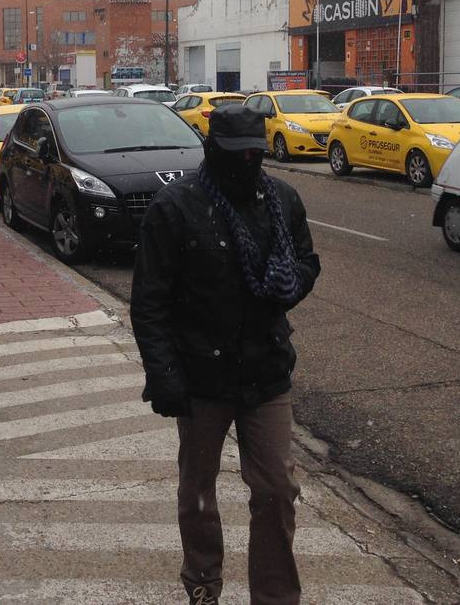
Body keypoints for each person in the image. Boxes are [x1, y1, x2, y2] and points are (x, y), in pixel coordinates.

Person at [131, 103, 320, 605]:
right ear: (212, 149)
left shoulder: (282, 200)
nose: (247, 163)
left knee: (277, 491)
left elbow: (307, 260)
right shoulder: (175, 208)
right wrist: (164, 374)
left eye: (255, 154)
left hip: (266, 371)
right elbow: (149, 301)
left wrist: (291, 281)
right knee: (197, 491)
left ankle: (275, 598)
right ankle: (203, 584)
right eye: (237, 154)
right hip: (200, 377)